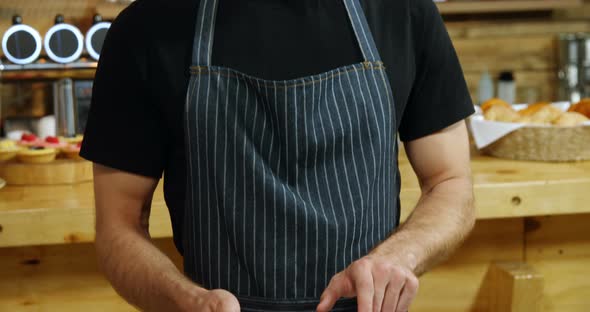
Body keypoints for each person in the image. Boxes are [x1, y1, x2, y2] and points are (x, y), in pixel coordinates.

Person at [81, 0, 476, 311]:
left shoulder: (401, 11)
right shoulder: (148, 29)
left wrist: (398, 257)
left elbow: (450, 182)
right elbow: (119, 226)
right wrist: (187, 302)